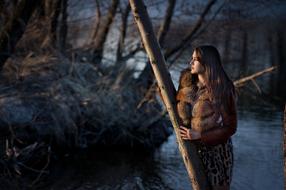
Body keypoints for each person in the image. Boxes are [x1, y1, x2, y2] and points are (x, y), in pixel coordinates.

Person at [178, 45, 237, 190]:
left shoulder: (222, 89)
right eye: (191, 59)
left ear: (207, 62)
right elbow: (178, 107)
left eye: (195, 59)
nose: (191, 63)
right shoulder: (190, 85)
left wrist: (200, 135)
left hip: (217, 153)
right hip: (195, 150)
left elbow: (231, 127)